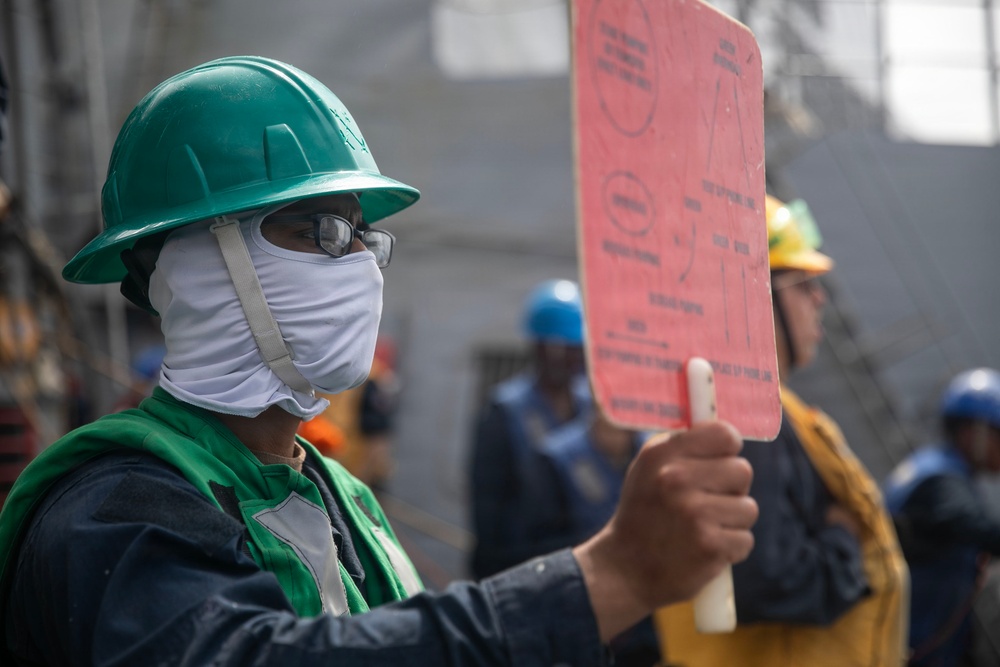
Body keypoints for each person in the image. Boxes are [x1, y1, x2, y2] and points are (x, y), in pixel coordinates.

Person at [0, 56, 758, 666]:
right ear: (192, 265)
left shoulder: (339, 496)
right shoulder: (110, 512)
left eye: (365, 237)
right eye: (320, 230)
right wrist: (608, 577)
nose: (360, 264)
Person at [655, 194, 909, 666]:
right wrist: (843, 541)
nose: (820, 299)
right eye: (803, 283)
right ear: (751, 293)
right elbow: (768, 580)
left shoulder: (758, 409)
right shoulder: (741, 420)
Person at [469, 278, 592, 579]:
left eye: (570, 347)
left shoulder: (591, 408)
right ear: (538, 347)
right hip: (520, 566)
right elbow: (486, 504)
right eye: (554, 347)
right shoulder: (506, 411)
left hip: (581, 566)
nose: (562, 356)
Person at [884, 368, 1000, 667]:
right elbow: (971, 523)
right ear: (971, 431)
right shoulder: (942, 479)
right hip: (908, 648)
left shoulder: (932, 467)